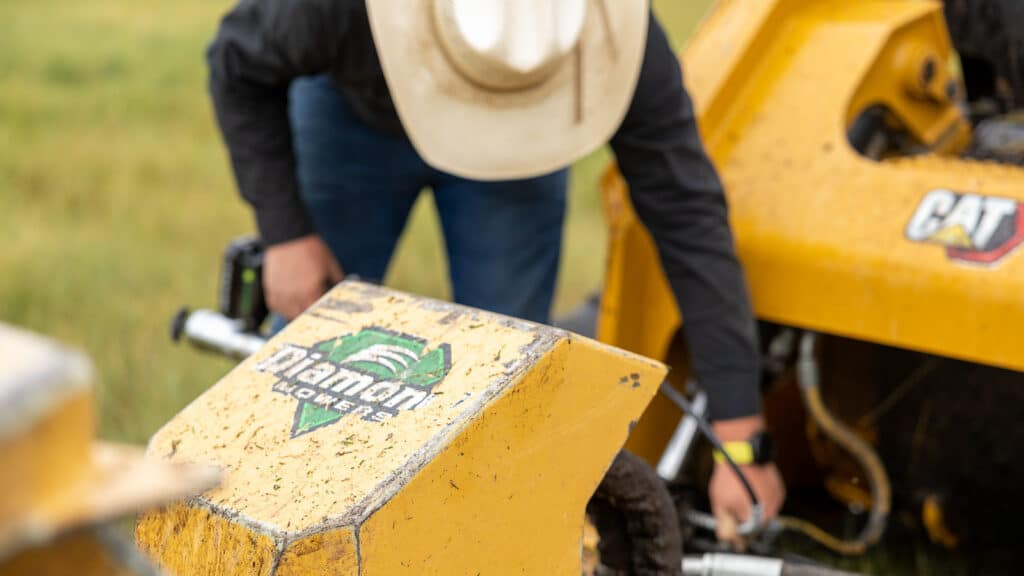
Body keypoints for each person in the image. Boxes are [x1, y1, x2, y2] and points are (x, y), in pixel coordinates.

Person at [206, 0, 785, 543]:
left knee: (505, 394)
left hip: (523, 144)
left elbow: (688, 214)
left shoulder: (616, 33)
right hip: (353, 116)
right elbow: (235, 61)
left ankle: (470, 544)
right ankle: (279, 536)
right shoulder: (334, 12)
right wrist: (286, 235)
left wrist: (740, 438)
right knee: (308, 368)